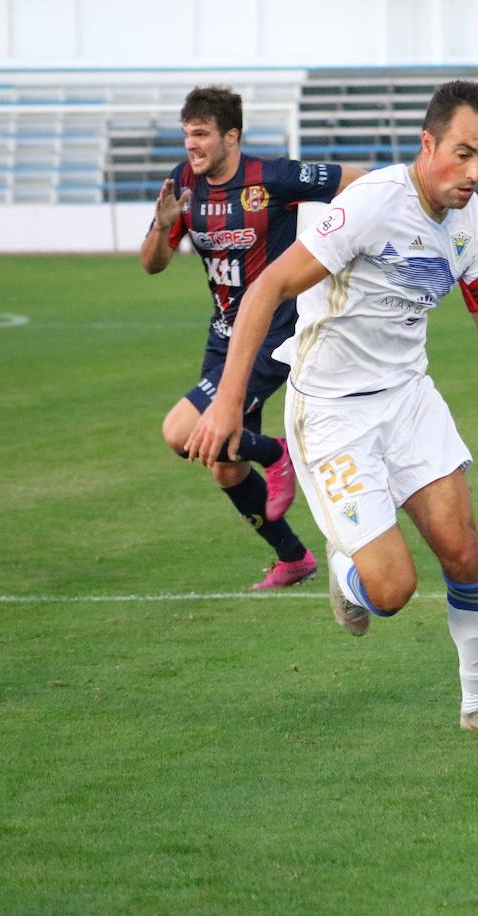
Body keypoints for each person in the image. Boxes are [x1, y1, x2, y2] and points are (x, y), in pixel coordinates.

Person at [186, 81, 478, 736]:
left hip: (409, 397)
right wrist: (226, 403)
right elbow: (268, 285)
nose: (474, 173)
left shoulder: (472, 226)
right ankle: (346, 571)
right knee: (391, 591)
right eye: (463, 154)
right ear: (428, 144)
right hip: (331, 410)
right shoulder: (370, 205)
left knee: (467, 557)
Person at [140, 85, 364, 590]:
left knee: (181, 431)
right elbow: (151, 264)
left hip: (272, 333)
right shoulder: (182, 183)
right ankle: (294, 558)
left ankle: (275, 453)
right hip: (222, 337)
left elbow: (361, 181)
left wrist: (346, 240)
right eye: (186, 135)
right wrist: (163, 226)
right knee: (224, 468)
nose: (190, 146)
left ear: (231, 136)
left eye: (200, 135)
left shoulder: (274, 177)